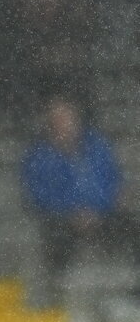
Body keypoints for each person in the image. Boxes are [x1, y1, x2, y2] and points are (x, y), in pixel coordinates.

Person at [21, 97, 137, 285]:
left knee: (132, 225)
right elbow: (38, 194)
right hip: (62, 218)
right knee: (54, 237)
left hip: (102, 214)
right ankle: (55, 288)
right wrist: (72, 211)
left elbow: (113, 181)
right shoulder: (39, 156)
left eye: (68, 118)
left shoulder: (97, 147)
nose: (65, 124)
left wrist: (97, 210)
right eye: (58, 119)